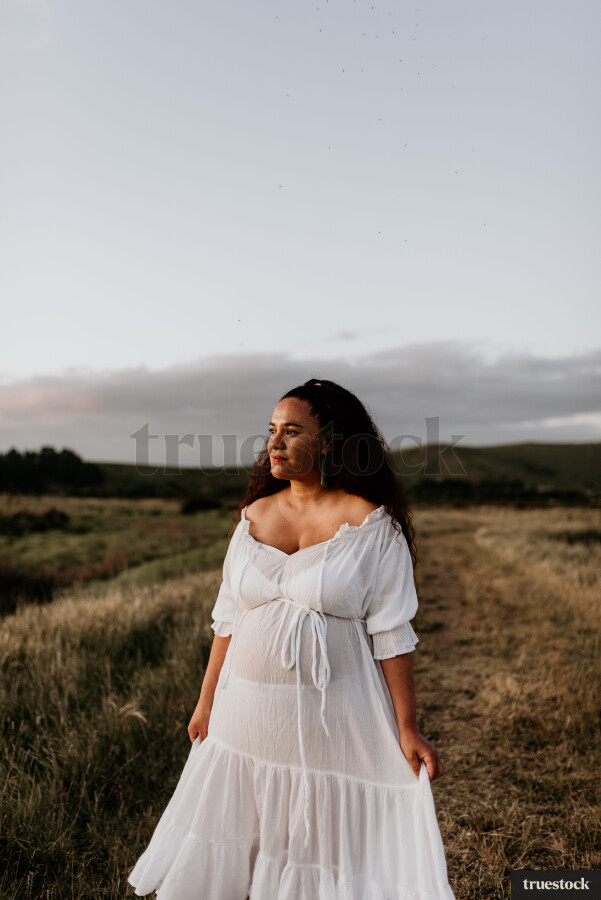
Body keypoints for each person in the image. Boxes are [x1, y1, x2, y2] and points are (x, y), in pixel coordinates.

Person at [128, 377, 456, 899]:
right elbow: (228, 620)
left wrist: (408, 727)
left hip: (332, 722)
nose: (274, 444)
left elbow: (392, 633)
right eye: (271, 431)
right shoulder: (253, 517)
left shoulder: (372, 525)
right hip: (246, 721)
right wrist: (205, 703)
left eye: (292, 432)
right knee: (244, 841)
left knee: (320, 845)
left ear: (327, 442)